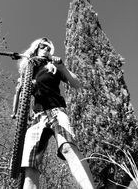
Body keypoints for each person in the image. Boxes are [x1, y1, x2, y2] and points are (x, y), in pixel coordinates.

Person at [14, 37, 95, 189]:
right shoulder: (29, 71)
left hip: (56, 111)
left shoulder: (54, 67)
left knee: (67, 147)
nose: (45, 49)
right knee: (30, 165)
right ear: (36, 48)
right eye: (42, 46)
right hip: (37, 118)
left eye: (48, 47)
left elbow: (77, 84)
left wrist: (62, 67)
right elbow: (20, 100)